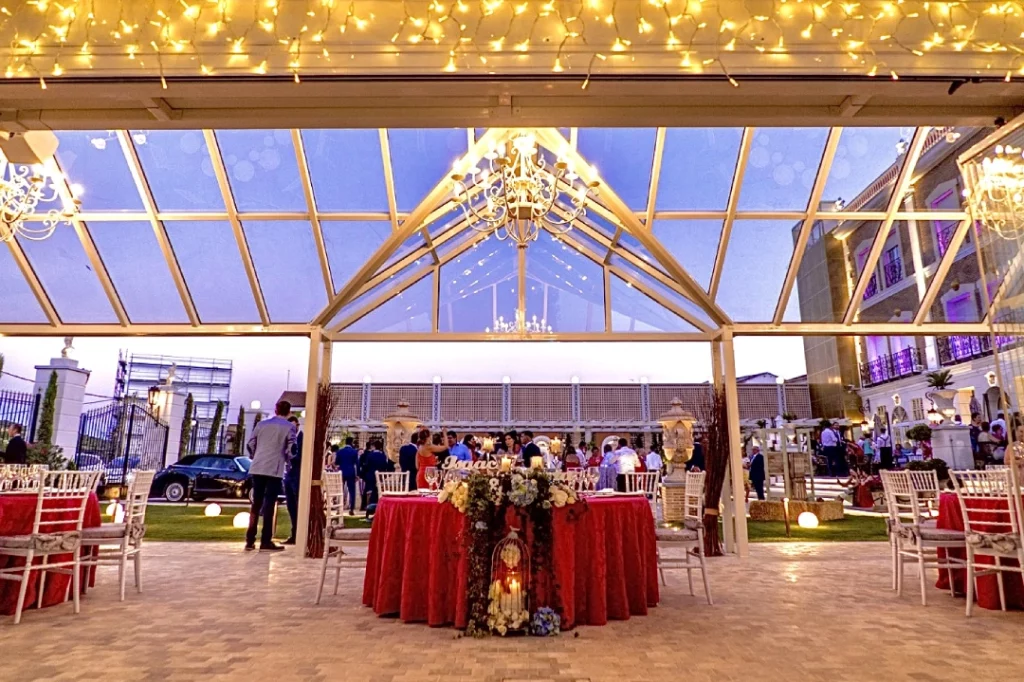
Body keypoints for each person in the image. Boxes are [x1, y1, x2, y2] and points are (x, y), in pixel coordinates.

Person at [244, 400, 296, 552]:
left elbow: (250, 444)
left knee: (256, 504)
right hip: (274, 469)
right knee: (269, 504)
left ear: (275, 409)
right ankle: (266, 540)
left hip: (258, 467)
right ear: (289, 411)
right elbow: (291, 448)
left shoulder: (261, 425)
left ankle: (249, 539)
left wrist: (256, 456)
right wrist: (287, 461)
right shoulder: (289, 427)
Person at [282, 415, 303, 545]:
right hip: (289, 476)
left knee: (296, 505)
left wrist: (288, 455)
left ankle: (298, 533)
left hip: (297, 476)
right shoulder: (287, 440)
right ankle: (294, 533)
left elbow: (299, 457)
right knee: (290, 506)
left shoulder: (301, 439)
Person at [357, 438, 392, 511]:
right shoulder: (383, 456)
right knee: (377, 491)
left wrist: (362, 473)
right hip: (379, 477)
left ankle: (365, 506)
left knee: (366, 491)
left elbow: (366, 466)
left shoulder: (370, 455)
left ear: (374, 446)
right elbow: (385, 465)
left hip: (370, 476)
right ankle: (376, 504)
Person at [336, 437, 360, 514]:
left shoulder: (340, 451)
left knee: (340, 490)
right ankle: (351, 509)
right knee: (352, 491)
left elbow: (337, 462)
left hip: (341, 472)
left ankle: (339, 509)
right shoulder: (354, 452)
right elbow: (357, 464)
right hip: (351, 472)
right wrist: (358, 474)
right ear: (351, 443)